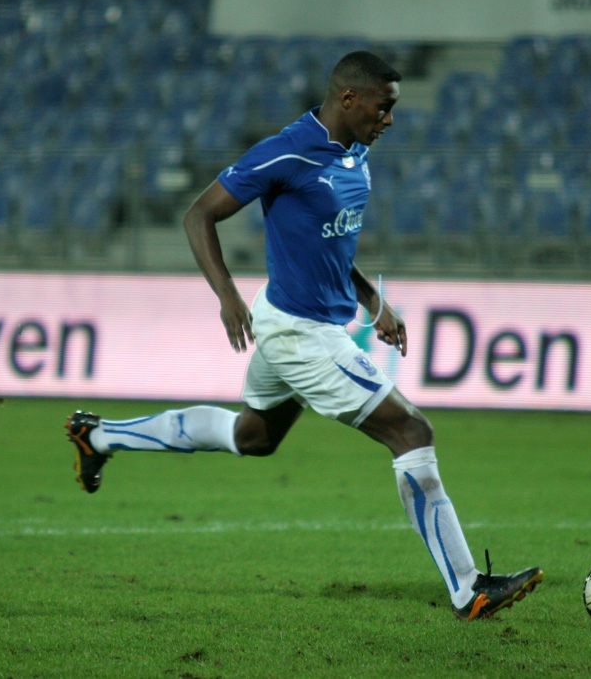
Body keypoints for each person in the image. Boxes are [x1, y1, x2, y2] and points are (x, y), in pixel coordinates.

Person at [64, 51, 542, 621]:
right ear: (349, 100)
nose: (390, 120)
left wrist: (372, 300)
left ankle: (98, 436)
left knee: (252, 437)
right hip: (299, 333)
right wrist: (226, 295)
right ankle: (469, 588)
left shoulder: (357, 152)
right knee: (412, 430)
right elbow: (198, 215)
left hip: (301, 319)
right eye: (383, 107)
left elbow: (330, 242)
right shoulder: (287, 151)